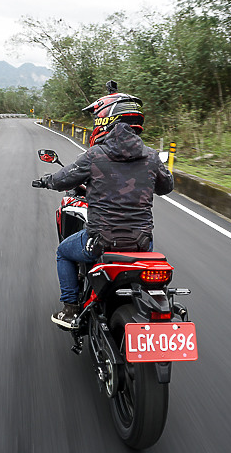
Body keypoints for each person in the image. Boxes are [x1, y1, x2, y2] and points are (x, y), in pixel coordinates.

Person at [33, 85, 174, 328]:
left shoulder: (96, 155)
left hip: (101, 241)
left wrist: (46, 180)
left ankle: (70, 308)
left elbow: (63, 179)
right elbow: (166, 187)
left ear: (107, 120)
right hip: (142, 241)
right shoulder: (151, 156)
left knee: (63, 253)